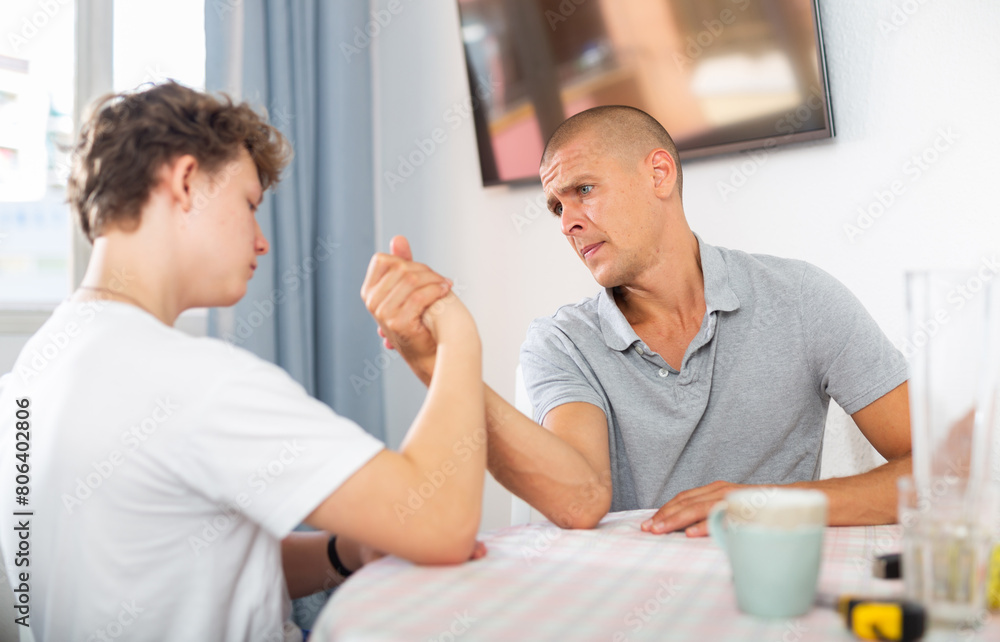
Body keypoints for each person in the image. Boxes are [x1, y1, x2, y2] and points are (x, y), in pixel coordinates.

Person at [0, 82, 486, 642]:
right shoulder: (192, 381)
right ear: (186, 181)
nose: (262, 241)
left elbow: (181, 566)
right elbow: (442, 523)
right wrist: (453, 331)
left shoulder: (32, 375)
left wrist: (345, 551)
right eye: (250, 205)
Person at [367, 105, 912, 538]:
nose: (568, 222)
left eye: (583, 190)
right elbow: (579, 500)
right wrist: (438, 363)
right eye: (556, 207)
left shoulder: (802, 298)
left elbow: (936, 473)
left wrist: (768, 505)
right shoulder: (562, 342)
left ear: (658, 174)